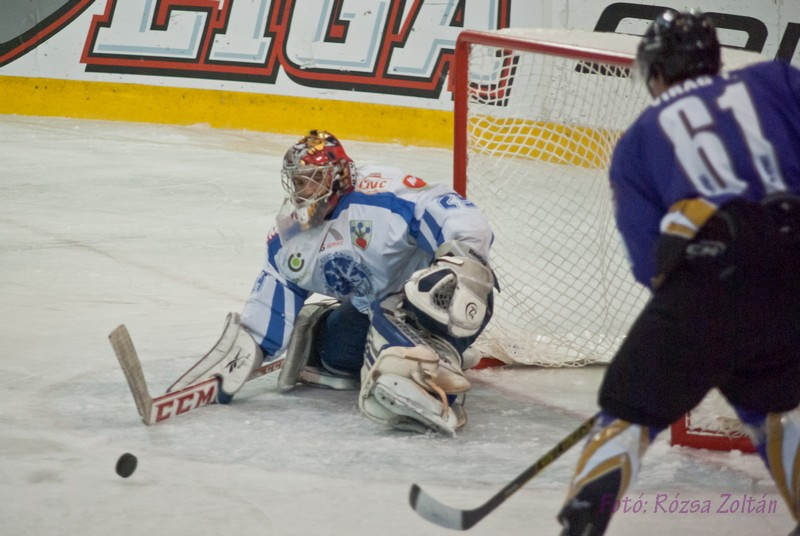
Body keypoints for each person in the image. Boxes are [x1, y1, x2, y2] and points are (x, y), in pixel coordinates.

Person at [557, 10, 800, 535]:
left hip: (716, 270)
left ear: (656, 73)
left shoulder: (638, 141)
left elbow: (653, 266)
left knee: (628, 408)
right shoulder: (775, 79)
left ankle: (583, 521)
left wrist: (691, 327)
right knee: (774, 401)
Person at [168, 130, 496, 435]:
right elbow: (271, 299)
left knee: (461, 281)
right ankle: (323, 330)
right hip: (368, 312)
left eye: (312, 180)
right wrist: (244, 349)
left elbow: (453, 215)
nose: (303, 191)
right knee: (337, 357)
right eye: (298, 182)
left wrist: (457, 258)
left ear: (338, 177)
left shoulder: (383, 193)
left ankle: (437, 355)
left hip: (425, 302)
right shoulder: (290, 234)